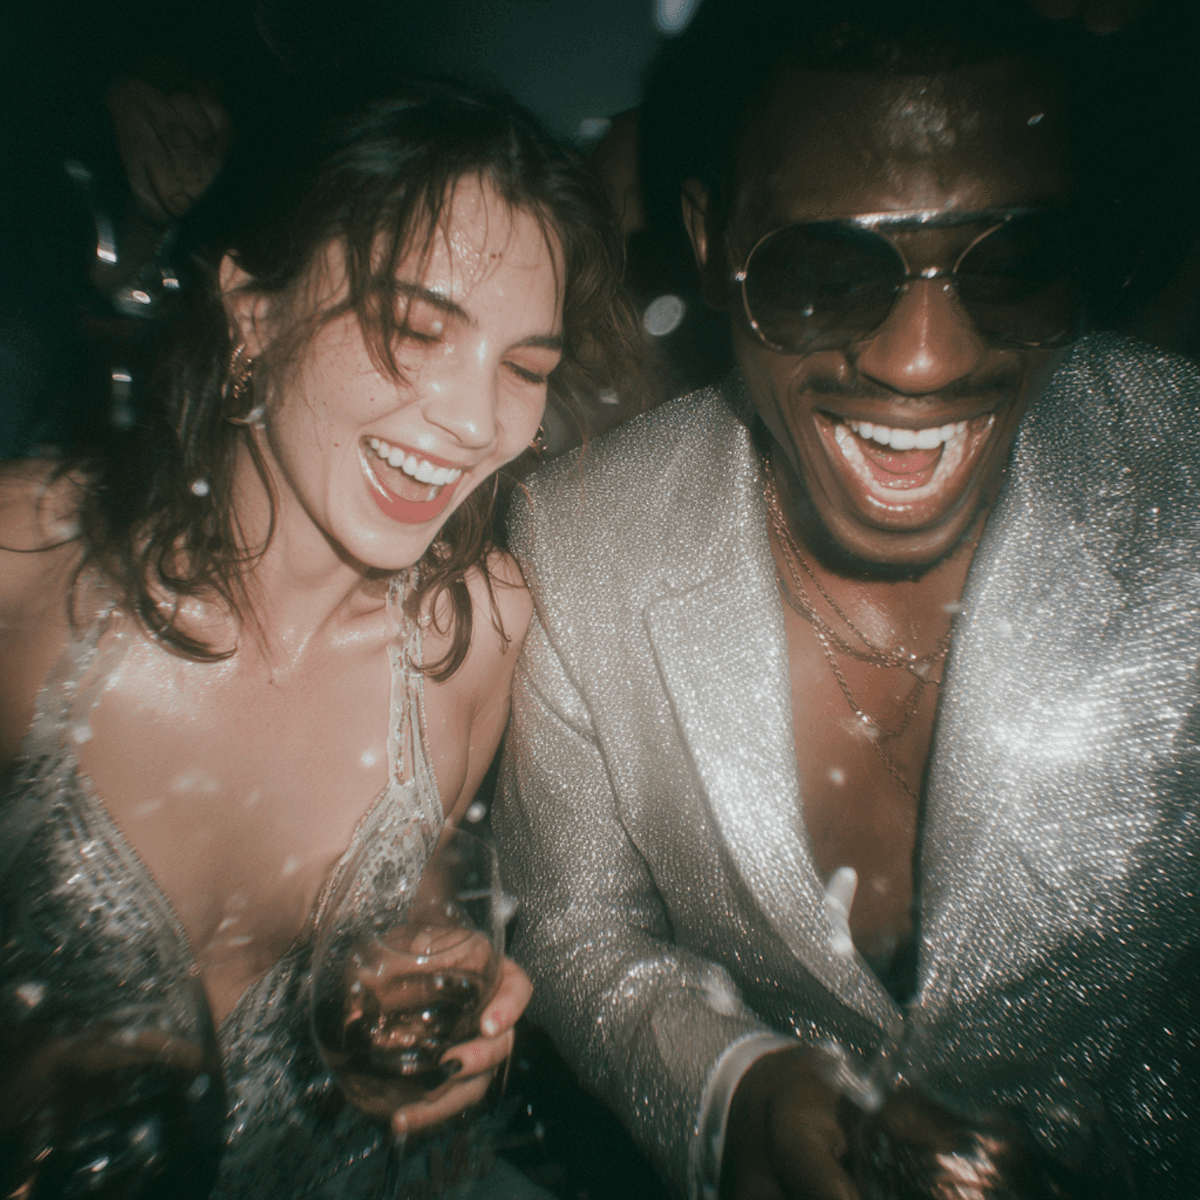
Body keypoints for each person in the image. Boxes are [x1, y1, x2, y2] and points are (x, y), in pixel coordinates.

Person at [492, 3, 1200, 1198]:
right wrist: (734, 1088)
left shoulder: (1181, 479)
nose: (923, 357)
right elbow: (570, 927)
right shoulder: (575, 543)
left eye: (1011, 262)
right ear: (714, 242)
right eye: (828, 269)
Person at [0, 80, 639, 1197]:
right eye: (415, 329)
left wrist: (454, 990)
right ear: (253, 310)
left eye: (525, 368)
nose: (477, 421)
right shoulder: (24, 565)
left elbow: (420, 907)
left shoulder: (483, 633)